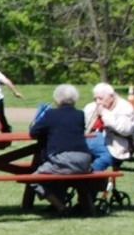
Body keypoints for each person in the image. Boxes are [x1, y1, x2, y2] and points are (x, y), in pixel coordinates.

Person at [30, 84, 94, 212]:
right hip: (85, 160)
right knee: (68, 176)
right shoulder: (80, 114)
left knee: (34, 179)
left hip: (62, 159)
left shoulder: (51, 114)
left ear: (57, 99)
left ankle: (60, 207)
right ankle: (86, 207)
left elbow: (33, 132)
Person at [83, 82, 134, 172]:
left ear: (111, 97)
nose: (98, 102)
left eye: (100, 98)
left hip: (117, 144)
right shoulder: (91, 107)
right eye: (95, 99)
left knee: (102, 160)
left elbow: (125, 130)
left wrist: (104, 113)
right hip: (94, 143)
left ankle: (92, 179)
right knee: (76, 157)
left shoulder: (124, 107)